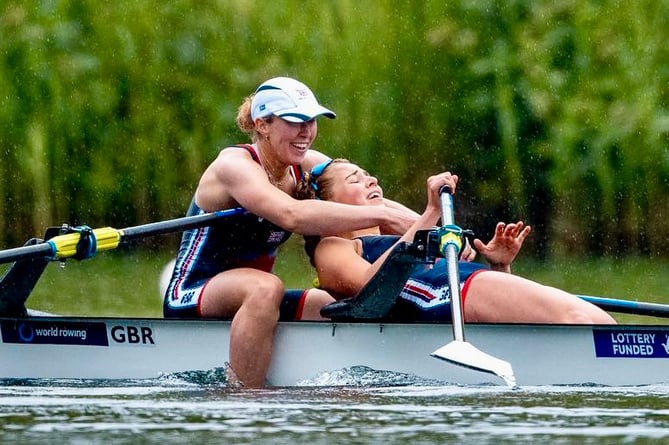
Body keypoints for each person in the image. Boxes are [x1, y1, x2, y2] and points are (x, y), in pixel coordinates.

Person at [163, 77, 419, 388]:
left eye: (311, 121)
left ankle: (363, 387)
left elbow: (367, 197)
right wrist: (385, 215)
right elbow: (291, 214)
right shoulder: (234, 165)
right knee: (266, 288)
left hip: (254, 295)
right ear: (262, 125)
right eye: (295, 121)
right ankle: (244, 399)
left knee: (332, 302)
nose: (306, 131)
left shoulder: (306, 165)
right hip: (194, 292)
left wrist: (431, 227)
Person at [296, 158, 616, 324]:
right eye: (355, 179)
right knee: (578, 320)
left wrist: (500, 265)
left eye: (368, 174)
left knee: (599, 322)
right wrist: (432, 211)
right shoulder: (334, 245)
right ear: (327, 202)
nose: (371, 180)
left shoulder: (395, 236)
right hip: (448, 295)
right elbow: (368, 287)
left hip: (462, 291)